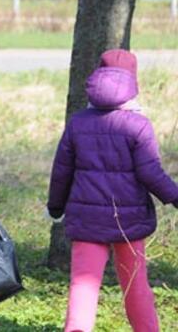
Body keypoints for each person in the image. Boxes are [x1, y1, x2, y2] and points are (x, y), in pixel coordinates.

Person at [47, 49, 178, 332]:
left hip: (86, 220)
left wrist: (55, 206)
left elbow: (61, 171)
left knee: (83, 285)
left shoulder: (78, 123)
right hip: (129, 222)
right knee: (135, 286)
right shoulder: (138, 125)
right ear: (133, 81)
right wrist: (175, 196)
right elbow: (150, 172)